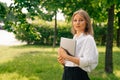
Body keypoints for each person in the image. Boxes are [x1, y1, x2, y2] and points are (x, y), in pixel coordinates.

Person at [57, 9, 98, 80]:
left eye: (81, 20)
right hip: (67, 73)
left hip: (78, 75)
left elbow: (87, 61)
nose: (77, 23)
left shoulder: (88, 39)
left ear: (87, 23)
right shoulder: (75, 38)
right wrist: (64, 62)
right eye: (75, 20)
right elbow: (73, 60)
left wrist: (66, 56)